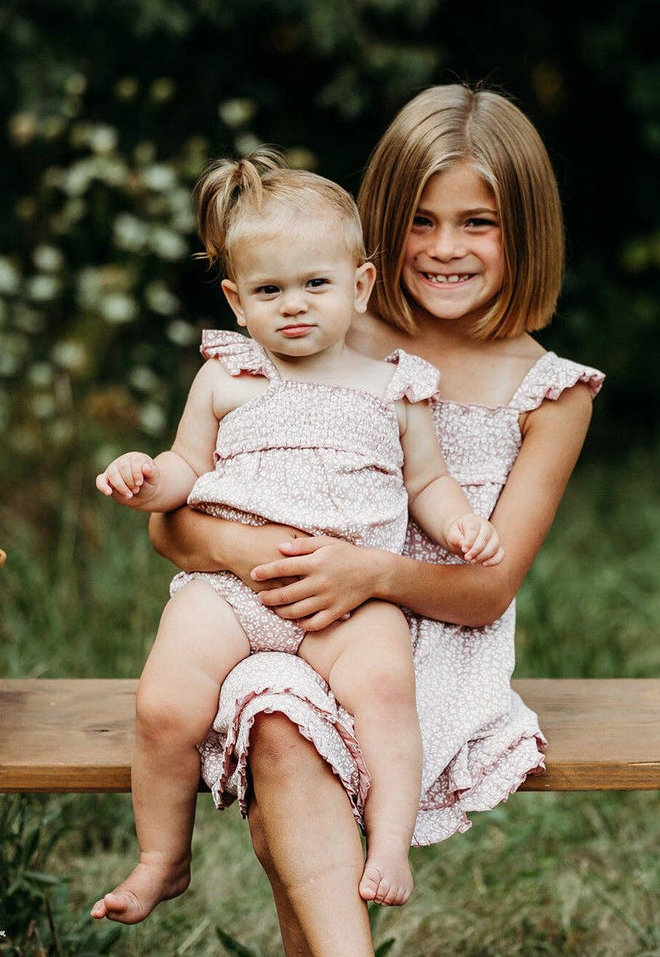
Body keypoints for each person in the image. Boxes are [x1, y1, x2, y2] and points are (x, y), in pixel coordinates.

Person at [149, 83, 605, 955]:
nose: (444, 247)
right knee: (272, 709)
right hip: (279, 612)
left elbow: (487, 591)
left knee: (290, 719)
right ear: (380, 230)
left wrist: (369, 574)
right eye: (421, 220)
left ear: (525, 230)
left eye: (477, 223)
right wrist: (256, 552)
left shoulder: (549, 393)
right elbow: (172, 529)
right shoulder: (321, 333)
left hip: (431, 649)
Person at [91, 150, 506, 924]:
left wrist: (460, 524)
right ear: (235, 300)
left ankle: (388, 842)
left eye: (315, 284)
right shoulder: (226, 376)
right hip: (229, 591)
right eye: (269, 290)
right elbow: (186, 466)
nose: (293, 306)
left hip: (350, 603)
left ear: (359, 285)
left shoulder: (394, 386)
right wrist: (146, 477)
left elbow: (426, 483)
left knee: (387, 692)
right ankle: (161, 857)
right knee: (163, 703)